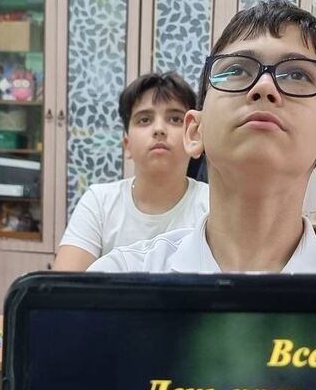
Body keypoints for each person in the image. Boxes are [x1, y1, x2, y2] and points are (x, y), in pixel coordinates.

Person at [90, 0, 316, 276]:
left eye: (297, 75)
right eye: (237, 70)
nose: (264, 86)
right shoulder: (117, 282)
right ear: (195, 131)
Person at [53, 72, 209, 271]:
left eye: (175, 119)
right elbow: (64, 285)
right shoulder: (99, 202)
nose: (159, 129)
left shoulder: (212, 204)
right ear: (127, 145)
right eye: (144, 120)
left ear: (193, 137)